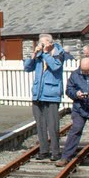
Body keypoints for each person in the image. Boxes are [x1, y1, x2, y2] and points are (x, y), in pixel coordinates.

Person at [23, 34, 64, 162]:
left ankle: (56, 152)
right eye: (40, 43)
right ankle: (44, 150)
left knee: (52, 125)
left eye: (44, 43)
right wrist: (34, 55)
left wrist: (46, 54)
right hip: (38, 94)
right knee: (40, 124)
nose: (41, 45)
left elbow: (55, 67)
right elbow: (27, 68)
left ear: (50, 43)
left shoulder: (58, 53)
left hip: (51, 94)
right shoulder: (39, 56)